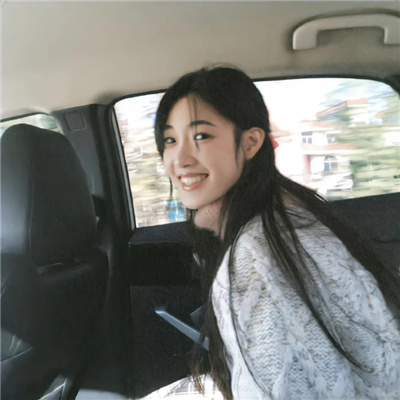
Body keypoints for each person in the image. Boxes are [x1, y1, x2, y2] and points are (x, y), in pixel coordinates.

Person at [144, 66, 400, 399]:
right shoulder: (288, 215)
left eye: (201, 136)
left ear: (250, 142)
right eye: (170, 140)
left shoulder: (257, 257)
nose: (179, 159)